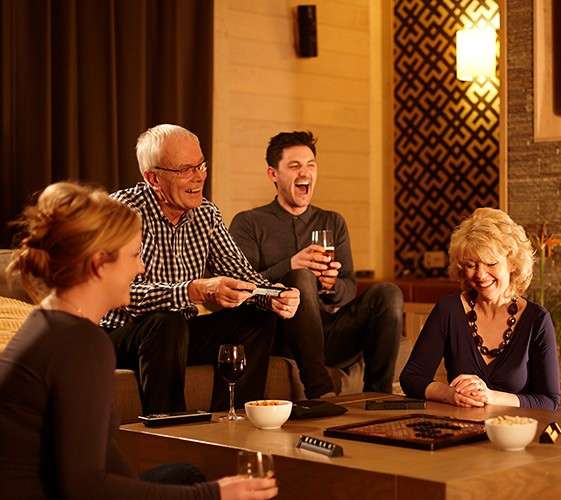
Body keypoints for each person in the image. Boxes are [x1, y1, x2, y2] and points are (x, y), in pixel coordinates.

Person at [0, 182, 278, 499]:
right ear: (99, 264)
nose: (141, 267)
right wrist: (211, 495)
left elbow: (102, 464)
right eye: (134, 255)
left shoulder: (47, 322)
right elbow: (85, 487)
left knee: (184, 474)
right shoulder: (81, 342)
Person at [103, 124, 301, 415]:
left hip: (178, 334)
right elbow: (120, 293)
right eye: (185, 169)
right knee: (165, 321)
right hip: (122, 334)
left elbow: (240, 272)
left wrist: (273, 295)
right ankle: (170, 427)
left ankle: (232, 419)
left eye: (201, 165)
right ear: (153, 178)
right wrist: (193, 291)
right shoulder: (123, 211)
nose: (199, 177)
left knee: (257, 317)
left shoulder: (206, 213)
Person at [229, 130, 403, 399]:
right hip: (281, 335)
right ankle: (319, 390)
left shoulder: (332, 221)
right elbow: (240, 287)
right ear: (273, 174)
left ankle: (378, 396)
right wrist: (291, 265)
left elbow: (348, 288)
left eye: (311, 165)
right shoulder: (248, 223)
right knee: (300, 277)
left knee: (388, 293)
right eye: (294, 166)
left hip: (330, 334)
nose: (305, 172)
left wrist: (330, 286)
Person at [400, 207, 561, 410]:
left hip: (515, 428)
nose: (480, 275)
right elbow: (411, 378)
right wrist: (450, 394)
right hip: (459, 426)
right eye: (471, 265)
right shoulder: (449, 310)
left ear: (512, 263)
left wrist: (491, 397)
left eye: (490, 263)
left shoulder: (537, 319)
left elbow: (549, 402)